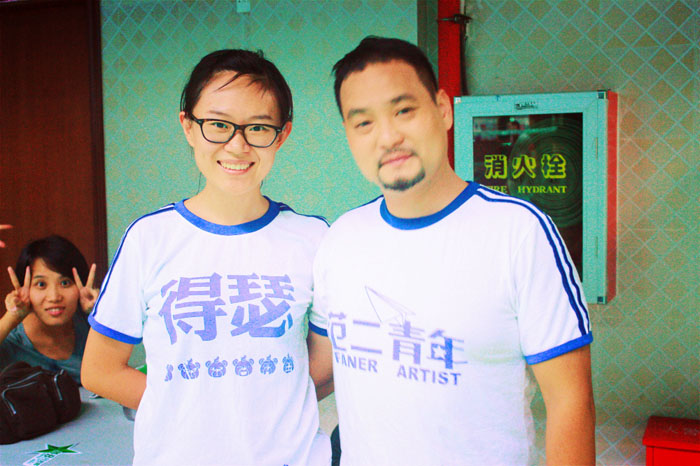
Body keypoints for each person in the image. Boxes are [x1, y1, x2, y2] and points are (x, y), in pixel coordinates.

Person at [309, 36, 595, 465]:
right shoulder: (341, 239)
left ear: (442, 109)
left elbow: (570, 400)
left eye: (403, 111)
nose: (388, 136)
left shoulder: (518, 233)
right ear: (349, 136)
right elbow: (319, 370)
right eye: (363, 122)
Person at [81, 49, 331, 465]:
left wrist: (262, 411)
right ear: (188, 127)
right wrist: (194, 412)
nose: (237, 145)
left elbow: (323, 365)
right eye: (218, 125)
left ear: (282, 135)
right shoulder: (149, 238)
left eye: (258, 128)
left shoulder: (314, 239)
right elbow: (100, 370)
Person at [1, 235, 98, 383]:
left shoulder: (89, 325)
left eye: (65, 283)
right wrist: (12, 317)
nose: (54, 297)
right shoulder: (11, 340)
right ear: (25, 288)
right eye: (41, 284)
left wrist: (99, 314)